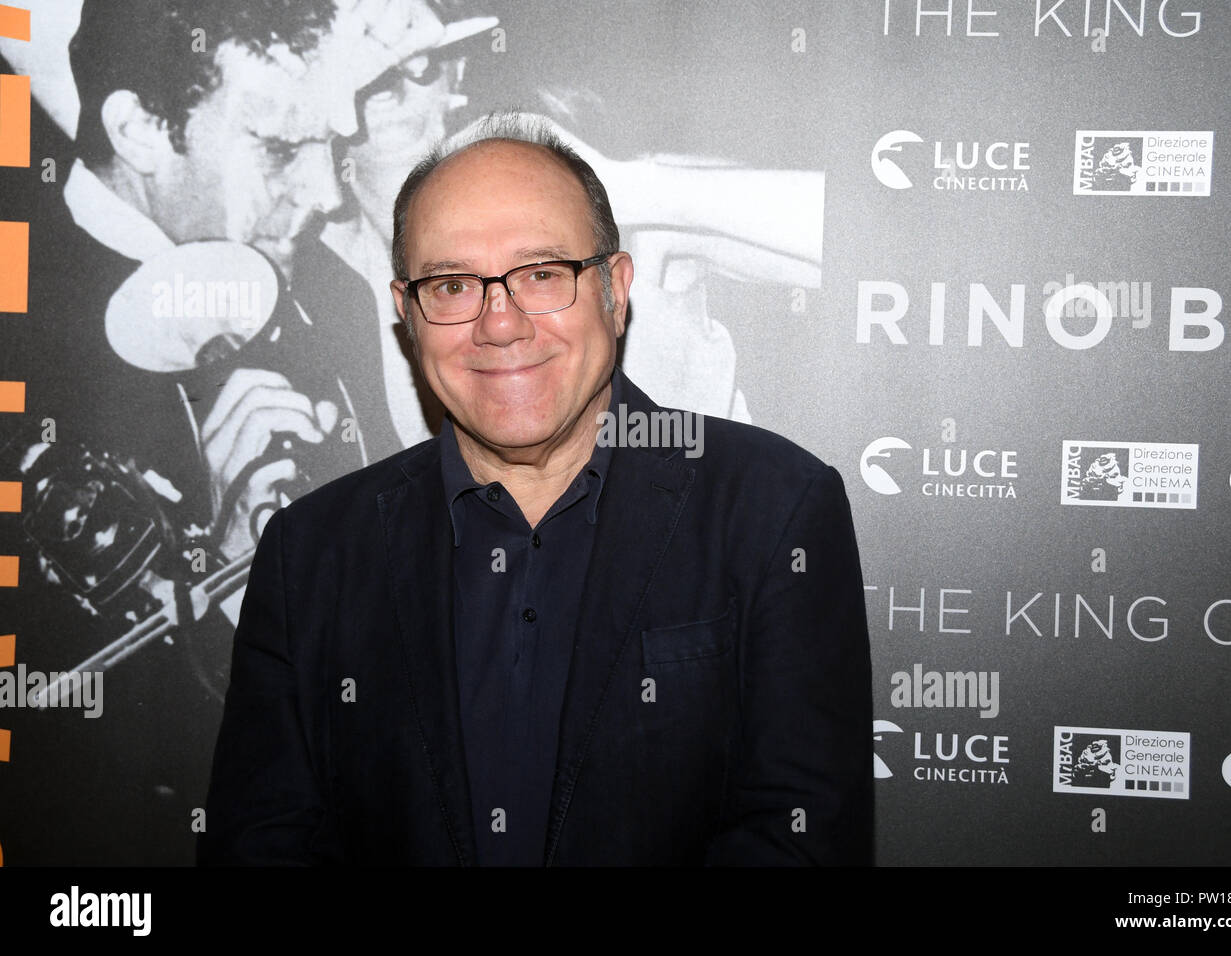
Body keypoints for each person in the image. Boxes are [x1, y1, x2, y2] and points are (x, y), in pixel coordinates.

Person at [199, 114, 871, 865]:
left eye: (542, 275)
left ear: (615, 290)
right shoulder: (310, 552)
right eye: (452, 284)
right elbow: (258, 848)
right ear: (407, 315)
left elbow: (803, 840)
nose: (499, 323)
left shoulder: (773, 510)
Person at [0, 0, 439, 865]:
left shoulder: (334, 293)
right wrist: (226, 593)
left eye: (329, 141)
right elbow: (45, 759)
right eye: (278, 149)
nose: (322, 193)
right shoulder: (21, 348)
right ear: (138, 131)